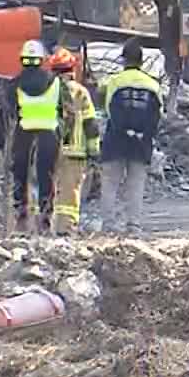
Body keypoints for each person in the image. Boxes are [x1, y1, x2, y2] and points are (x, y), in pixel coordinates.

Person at [98, 39, 164, 236]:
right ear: (142, 61)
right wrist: (143, 133)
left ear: (124, 60)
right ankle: (133, 226)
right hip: (141, 143)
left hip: (116, 141)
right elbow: (157, 114)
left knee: (110, 183)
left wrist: (124, 130)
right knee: (136, 184)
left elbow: (110, 110)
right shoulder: (152, 84)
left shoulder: (114, 82)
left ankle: (108, 226)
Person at [0, 39, 61, 233]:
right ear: (41, 59)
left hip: (23, 134)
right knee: (46, 176)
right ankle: (45, 217)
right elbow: (64, 111)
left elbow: (6, 115)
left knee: (20, 174)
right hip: (49, 135)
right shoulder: (55, 82)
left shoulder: (14, 84)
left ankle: (21, 215)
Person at [46, 47, 101, 235]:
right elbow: (90, 124)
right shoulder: (80, 93)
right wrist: (94, 151)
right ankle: (66, 231)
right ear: (72, 69)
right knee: (70, 196)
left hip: (49, 150)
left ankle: (44, 228)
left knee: (49, 191)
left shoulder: (45, 92)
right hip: (74, 153)